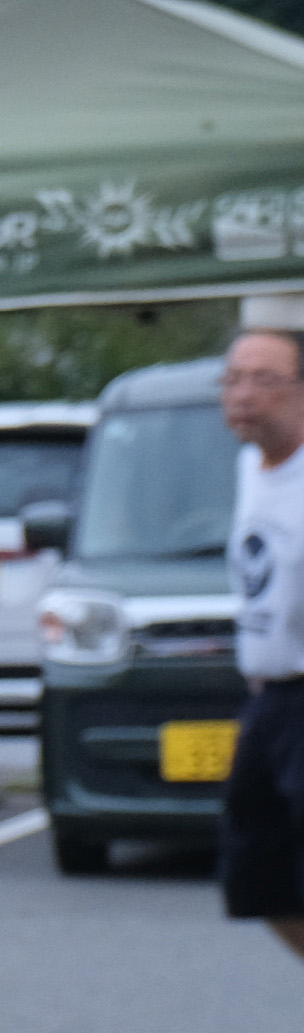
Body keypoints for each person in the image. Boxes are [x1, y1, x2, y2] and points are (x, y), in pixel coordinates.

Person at [224, 323, 304, 961]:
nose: (244, 394)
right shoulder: (249, 468)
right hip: (270, 699)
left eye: (265, 380)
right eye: (234, 379)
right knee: (258, 878)